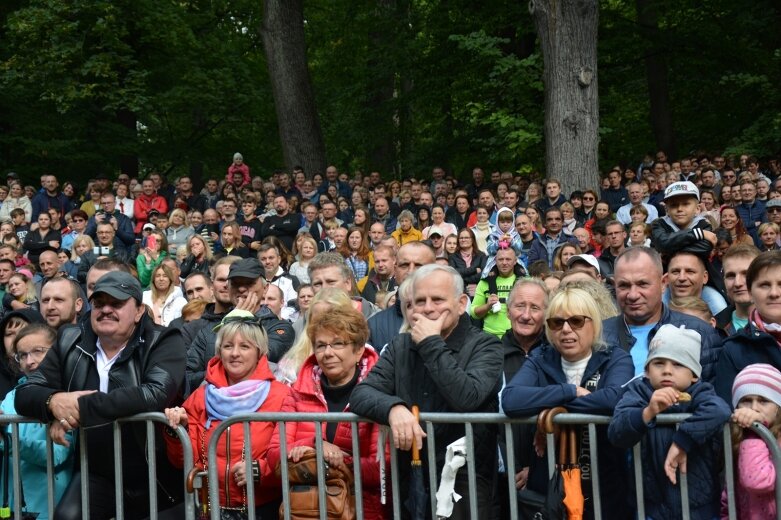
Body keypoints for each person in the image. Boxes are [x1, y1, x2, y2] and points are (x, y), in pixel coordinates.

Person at [14, 272, 186, 519]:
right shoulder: (69, 339)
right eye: (99, 303)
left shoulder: (162, 339)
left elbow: (153, 394)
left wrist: (78, 407)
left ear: (138, 311)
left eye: (116, 303)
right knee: (67, 516)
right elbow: (26, 392)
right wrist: (54, 403)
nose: (106, 309)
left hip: (155, 473)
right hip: (97, 472)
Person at [351, 264, 504, 518]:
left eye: (438, 300)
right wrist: (393, 408)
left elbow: (467, 397)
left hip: (466, 482)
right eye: (420, 301)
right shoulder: (401, 345)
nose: (428, 308)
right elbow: (362, 393)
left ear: (462, 303)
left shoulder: (486, 345)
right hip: (412, 477)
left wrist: (431, 343)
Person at [501, 286, 634, 520]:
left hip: (604, 485)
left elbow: (614, 399)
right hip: (550, 490)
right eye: (556, 322)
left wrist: (552, 413)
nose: (566, 329)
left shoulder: (615, 357)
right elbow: (511, 400)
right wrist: (569, 391)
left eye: (576, 321)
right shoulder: (540, 358)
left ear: (594, 323)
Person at [164, 309, 288, 517]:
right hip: (209, 508)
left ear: (260, 351)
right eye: (228, 346)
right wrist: (178, 430)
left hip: (264, 509)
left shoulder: (282, 396)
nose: (234, 353)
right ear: (219, 351)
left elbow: (291, 451)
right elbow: (182, 460)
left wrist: (261, 470)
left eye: (245, 346)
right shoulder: (200, 396)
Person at [267, 306, 387, 519]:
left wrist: (338, 461)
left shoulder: (379, 393)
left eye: (338, 343)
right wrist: (316, 446)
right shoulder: (298, 392)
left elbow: (381, 467)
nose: (328, 353)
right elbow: (275, 455)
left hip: (361, 509)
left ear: (359, 349)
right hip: (307, 510)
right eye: (321, 345)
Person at [608, 324, 730, 520]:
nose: (667, 371)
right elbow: (617, 431)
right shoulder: (639, 392)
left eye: (678, 364)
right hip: (651, 506)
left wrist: (682, 441)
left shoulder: (700, 392)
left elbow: (720, 410)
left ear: (694, 375)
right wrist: (648, 412)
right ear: (647, 370)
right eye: (658, 363)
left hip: (698, 505)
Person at [603, 247, 722, 380]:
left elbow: (711, 395)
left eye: (642, 284)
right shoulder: (597, 334)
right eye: (624, 285)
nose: (633, 295)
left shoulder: (700, 333)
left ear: (663, 283)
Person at [185, 258, 294, 393]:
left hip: (260, 407)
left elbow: (259, 360)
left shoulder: (280, 328)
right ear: (229, 288)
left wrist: (242, 318)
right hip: (213, 407)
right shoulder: (208, 330)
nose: (242, 288)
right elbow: (187, 377)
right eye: (236, 284)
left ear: (265, 289)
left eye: (249, 283)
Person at [1, 323, 75, 519]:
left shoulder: (64, 397)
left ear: (57, 352)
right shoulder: (11, 397)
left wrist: (6, 442)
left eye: (38, 351)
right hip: (11, 503)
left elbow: (58, 454)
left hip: (48, 503)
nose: (29, 361)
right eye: (22, 355)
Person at [716, 251, 781, 400]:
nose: (774, 293)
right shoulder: (733, 349)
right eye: (764, 285)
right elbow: (728, 412)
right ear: (751, 291)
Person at [722, 364, 781, 518]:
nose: (754, 408)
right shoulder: (737, 438)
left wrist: (757, 431)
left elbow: (757, 481)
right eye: (746, 400)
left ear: (778, 407)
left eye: (763, 401)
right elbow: (728, 498)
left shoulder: (757, 439)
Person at [470, 247, 523, 338]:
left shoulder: (525, 282)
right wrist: (487, 306)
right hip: (490, 336)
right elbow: (474, 313)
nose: (504, 263)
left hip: (517, 336)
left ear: (515, 261)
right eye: (500, 259)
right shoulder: (485, 282)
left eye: (508, 259)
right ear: (495, 261)